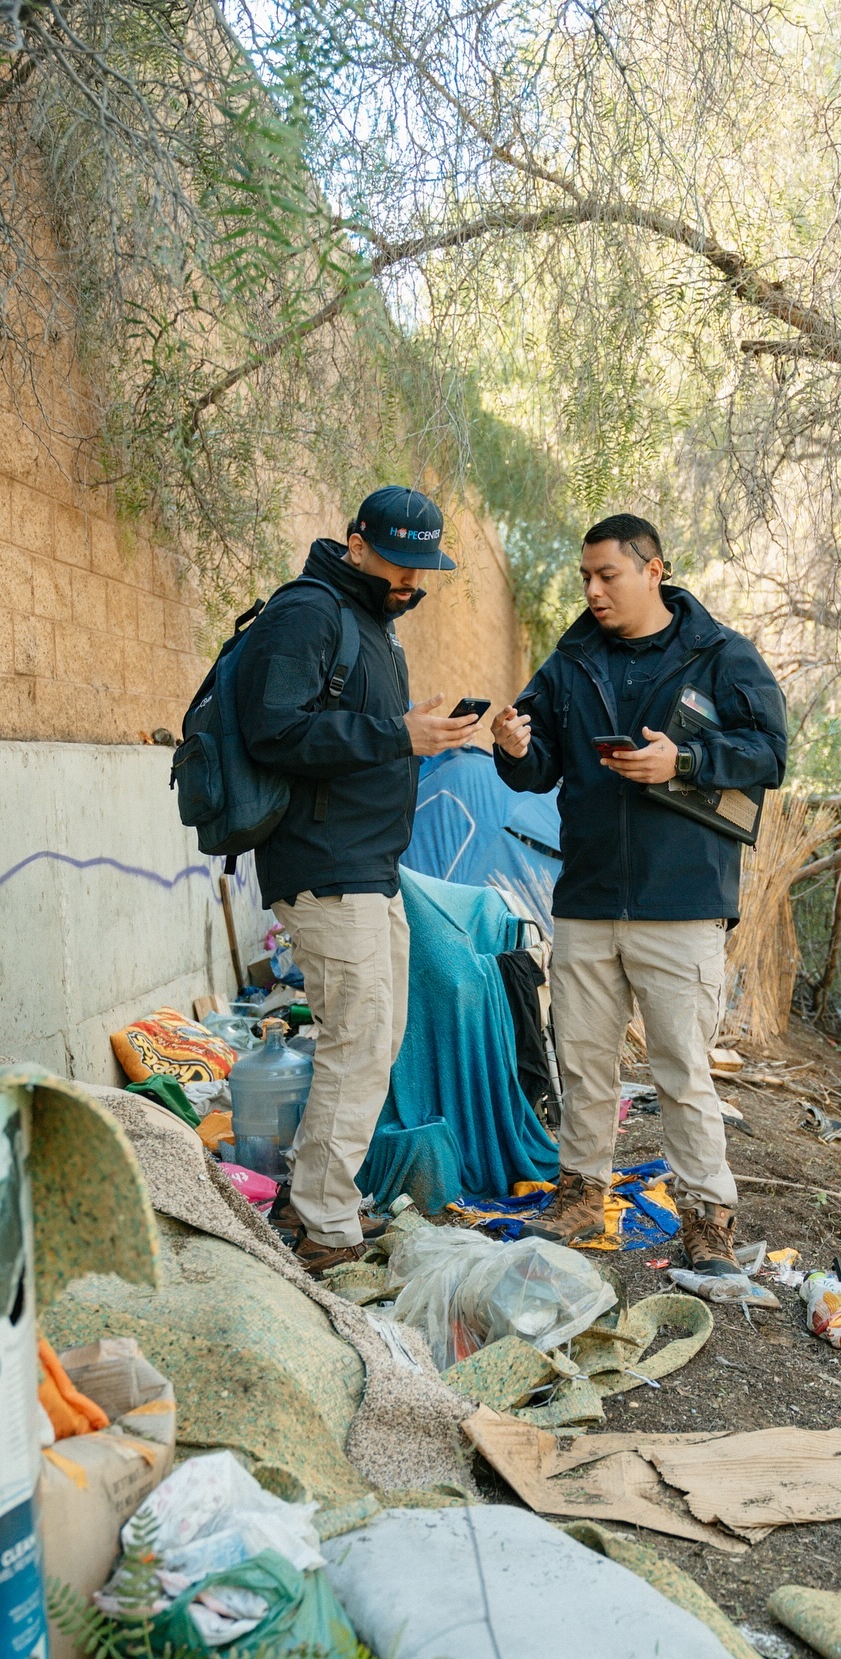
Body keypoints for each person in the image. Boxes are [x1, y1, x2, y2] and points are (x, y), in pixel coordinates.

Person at [492, 514, 787, 1274]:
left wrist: (684, 761)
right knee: (584, 1063)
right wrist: (515, 748)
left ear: (654, 569)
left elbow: (769, 753)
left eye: (607, 576)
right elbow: (539, 764)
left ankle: (706, 1220)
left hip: (682, 902)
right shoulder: (571, 660)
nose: (592, 591)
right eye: (584, 577)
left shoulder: (720, 654)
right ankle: (581, 1195)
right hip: (587, 897)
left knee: (682, 1070)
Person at [238, 486, 481, 1272]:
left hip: (371, 866)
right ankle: (322, 1225)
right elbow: (273, 730)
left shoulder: (370, 624)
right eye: (399, 561)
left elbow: (355, 738)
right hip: (324, 865)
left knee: (374, 1040)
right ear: (355, 544)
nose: (412, 580)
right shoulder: (307, 613)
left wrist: (415, 731)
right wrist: (395, 732)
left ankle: (323, 1202)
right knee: (359, 1039)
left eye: (423, 567)